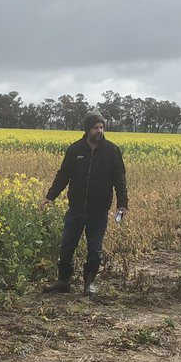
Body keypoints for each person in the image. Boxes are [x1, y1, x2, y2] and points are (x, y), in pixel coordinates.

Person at [41, 112, 128, 296]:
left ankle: (89, 284)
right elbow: (63, 175)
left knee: (95, 250)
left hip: (99, 210)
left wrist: (122, 203)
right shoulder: (75, 150)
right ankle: (63, 281)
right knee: (66, 246)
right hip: (76, 209)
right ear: (87, 129)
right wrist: (50, 197)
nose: (99, 131)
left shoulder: (112, 150)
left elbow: (119, 180)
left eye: (102, 127)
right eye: (95, 127)